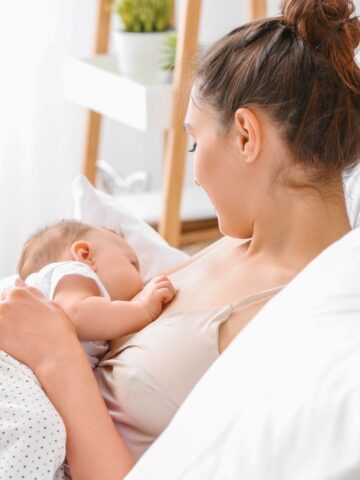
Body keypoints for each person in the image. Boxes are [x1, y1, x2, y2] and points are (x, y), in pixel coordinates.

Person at [0, 0, 359, 478]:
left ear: (247, 136)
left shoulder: (294, 314)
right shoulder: (237, 246)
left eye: (194, 141)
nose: (195, 176)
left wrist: (56, 355)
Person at [18, 219, 176, 368]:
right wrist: (143, 307)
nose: (142, 281)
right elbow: (77, 313)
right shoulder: (72, 272)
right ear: (85, 256)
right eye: (132, 264)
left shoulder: (98, 324)